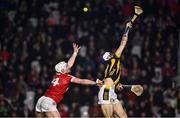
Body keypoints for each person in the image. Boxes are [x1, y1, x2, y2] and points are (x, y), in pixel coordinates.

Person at [35, 43, 102, 117]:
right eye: (66, 66)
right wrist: (95, 82)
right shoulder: (67, 77)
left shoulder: (57, 75)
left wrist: (75, 53)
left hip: (42, 99)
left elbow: (69, 65)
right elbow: (82, 81)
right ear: (63, 70)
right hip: (49, 101)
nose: (68, 66)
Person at [98, 22, 133, 118]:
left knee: (123, 116)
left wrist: (117, 85)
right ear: (109, 58)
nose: (112, 53)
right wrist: (127, 29)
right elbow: (123, 43)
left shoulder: (110, 69)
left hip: (111, 92)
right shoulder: (114, 59)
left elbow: (112, 82)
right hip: (106, 91)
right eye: (110, 54)